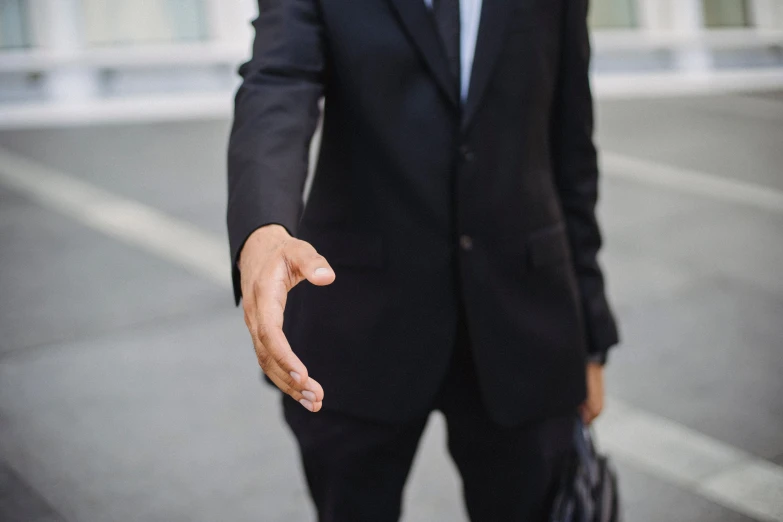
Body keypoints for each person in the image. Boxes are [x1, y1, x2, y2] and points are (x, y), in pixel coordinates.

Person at [227, 0, 619, 520]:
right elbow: (276, 83)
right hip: (358, 323)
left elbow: (571, 150)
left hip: (524, 324)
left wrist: (590, 338)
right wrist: (264, 229)